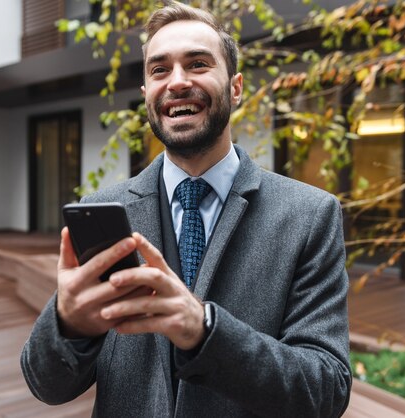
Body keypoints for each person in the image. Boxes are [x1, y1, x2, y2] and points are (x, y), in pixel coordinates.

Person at [21, 2, 352, 417]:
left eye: (197, 64)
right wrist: (69, 325)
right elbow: (46, 386)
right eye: (159, 70)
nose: (177, 82)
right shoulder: (104, 209)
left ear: (235, 87)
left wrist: (206, 331)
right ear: (147, 96)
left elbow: (327, 389)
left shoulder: (309, 214)